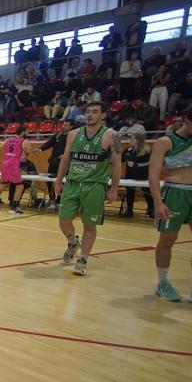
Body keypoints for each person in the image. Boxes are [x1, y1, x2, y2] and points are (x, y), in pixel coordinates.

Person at [54, 101, 122, 276]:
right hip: (73, 184)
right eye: (88, 112)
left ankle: (83, 258)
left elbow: (116, 164)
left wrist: (114, 188)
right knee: (63, 221)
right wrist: (58, 180)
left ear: (103, 115)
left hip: (95, 186)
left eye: (95, 112)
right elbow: (66, 159)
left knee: (89, 225)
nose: (90, 115)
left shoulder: (113, 136)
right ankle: (72, 242)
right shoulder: (73, 134)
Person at [149, 108, 192, 302]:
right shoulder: (165, 142)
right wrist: (158, 202)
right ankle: (163, 283)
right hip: (175, 191)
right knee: (168, 239)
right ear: (187, 121)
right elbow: (153, 174)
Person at [0, 125, 34, 214]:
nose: (28, 133)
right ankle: (14, 207)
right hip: (13, 166)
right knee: (20, 186)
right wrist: (29, 152)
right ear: (23, 132)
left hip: (5, 164)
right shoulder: (25, 141)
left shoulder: (8, 140)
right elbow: (28, 152)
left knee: (3, 184)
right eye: (27, 131)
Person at [40, 120, 71, 209]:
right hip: (53, 162)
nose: (64, 126)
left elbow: (74, 148)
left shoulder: (72, 136)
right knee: (49, 181)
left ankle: (60, 201)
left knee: (63, 182)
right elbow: (49, 143)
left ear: (71, 126)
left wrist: (66, 155)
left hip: (65, 163)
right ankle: (52, 200)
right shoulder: (58, 134)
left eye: (66, 125)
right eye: (63, 125)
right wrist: (40, 149)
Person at [121, 131, 153, 218]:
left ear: (138, 140)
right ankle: (129, 211)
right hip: (130, 176)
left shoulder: (146, 150)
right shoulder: (128, 150)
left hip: (143, 176)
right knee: (129, 192)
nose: (129, 140)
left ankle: (151, 210)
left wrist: (136, 165)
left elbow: (149, 163)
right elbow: (120, 159)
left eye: (132, 138)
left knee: (147, 192)